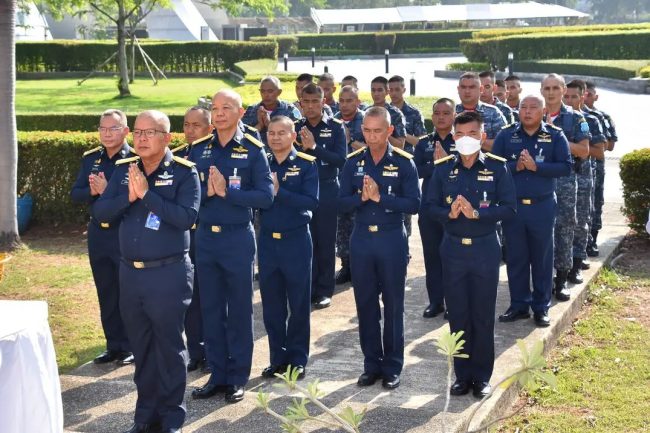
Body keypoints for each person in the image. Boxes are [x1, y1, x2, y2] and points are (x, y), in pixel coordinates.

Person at [94, 110, 200, 433]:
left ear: (167, 138)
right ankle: (145, 416)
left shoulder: (184, 172)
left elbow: (187, 218)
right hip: (131, 275)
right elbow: (101, 212)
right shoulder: (125, 171)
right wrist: (127, 197)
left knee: (168, 348)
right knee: (141, 348)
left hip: (167, 275)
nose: (140, 138)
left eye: (149, 132)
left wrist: (147, 196)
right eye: (137, 132)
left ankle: (171, 419)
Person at [425, 111, 516, 399]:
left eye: (473, 134)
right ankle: (462, 376)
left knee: (482, 315)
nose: (467, 140)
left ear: (483, 135)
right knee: (458, 315)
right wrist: (448, 213)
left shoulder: (498, 168)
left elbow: (509, 208)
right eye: (461, 134)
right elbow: (428, 207)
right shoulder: (442, 170)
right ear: (454, 137)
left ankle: (482, 376)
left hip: (484, 249)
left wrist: (478, 213)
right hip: (452, 250)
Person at [191, 90, 274, 403]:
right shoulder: (198, 150)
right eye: (215, 108)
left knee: (238, 309)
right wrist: (208, 192)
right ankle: (218, 374)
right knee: (210, 308)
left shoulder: (253, 150)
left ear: (241, 113)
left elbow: (265, 197)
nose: (220, 113)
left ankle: (238, 376)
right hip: (206, 239)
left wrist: (228, 193)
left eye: (227, 108)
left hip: (237, 238)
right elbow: (188, 193)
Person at [338, 106, 420, 390]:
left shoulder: (404, 162)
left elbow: (414, 204)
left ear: (389, 131)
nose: (372, 137)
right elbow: (341, 203)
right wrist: (362, 198)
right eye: (367, 131)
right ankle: (371, 364)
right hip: (361, 239)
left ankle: (392, 366)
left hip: (391, 238)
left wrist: (381, 197)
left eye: (377, 131)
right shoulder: (353, 163)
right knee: (366, 304)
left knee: (394, 304)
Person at [492, 95, 571, 327]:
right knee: (516, 257)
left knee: (542, 258)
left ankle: (541, 307)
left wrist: (537, 167)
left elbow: (566, 167)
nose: (527, 111)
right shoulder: (507, 135)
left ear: (543, 110)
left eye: (533, 107)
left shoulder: (555, 135)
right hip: (513, 207)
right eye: (523, 107)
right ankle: (518, 305)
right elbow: (494, 166)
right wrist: (514, 166)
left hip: (542, 206)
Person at [70, 109, 134, 366]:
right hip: (98, 234)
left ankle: (130, 345)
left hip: (124, 233)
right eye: (103, 128)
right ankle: (113, 345)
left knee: (127, 293)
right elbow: (76, 194)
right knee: (106, 291)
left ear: (126, 131)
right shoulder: (91, 159)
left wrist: (106, 191)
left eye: (114, 128)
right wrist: (94, 192)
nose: (107, 134)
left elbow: (136, 197)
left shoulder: (136, 159)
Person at [258, 116, 319, 380]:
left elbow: (311, 202)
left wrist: (279, 192)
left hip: (296, 240)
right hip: (268, 241)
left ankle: (297, 359)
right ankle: (277, 359)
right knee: (271, 305)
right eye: (271, 133)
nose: (275, 137)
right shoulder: (261, 164)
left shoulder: (306, 165)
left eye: (282, 133)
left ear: (293, 136)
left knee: (298, 303)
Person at [295, 83, 347, 309]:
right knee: (303, 241)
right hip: (299, 191)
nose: (310, 106)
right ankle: (307, 287)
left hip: (326, 189)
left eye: (315, 101)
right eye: (305, 102)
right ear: (300, 103)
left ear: (323, 101)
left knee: (325, 241)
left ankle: (324, 290)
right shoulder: (295, 127)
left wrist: (314, 147)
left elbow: (341, 160)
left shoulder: (335, 127)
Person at [540, 74, 590, 300]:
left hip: (566, 183)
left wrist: (556, 137)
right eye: (547, 88)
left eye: (555, 88)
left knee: (565, 229)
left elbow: (583, 150)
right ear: (541, 91)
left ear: (562, 90)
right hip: (537, 182)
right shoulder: (531, 114)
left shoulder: (575, 118)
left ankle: (561, 279)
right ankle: (541, 280)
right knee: (540, 232)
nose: (550, 93)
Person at [172, 106, 214, 372]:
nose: (190, 130)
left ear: (209, 128)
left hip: (208, 235)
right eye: (186, 124)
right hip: (184, 236)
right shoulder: (176, 159)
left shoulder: (216, 154)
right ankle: (196, 351)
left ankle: (213, 351)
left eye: (196, 125)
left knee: (210, 295)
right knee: (190, 296)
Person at [414, 98, 456, 318]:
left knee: (451, 257)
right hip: (429, 206)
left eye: (446, 113)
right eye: (437, 113)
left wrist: (446, 162)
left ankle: (452, 303)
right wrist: (435, 165)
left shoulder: (461, 141)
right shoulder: (424, 142)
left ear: (454, 116)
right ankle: (436, 301)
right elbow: (416, 171)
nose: (441, 117)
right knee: (432, 256)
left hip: (453, 207)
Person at [563, 80, 607, 293]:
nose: (569, 100)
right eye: (567, 96)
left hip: (582, 176)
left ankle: (577, 261)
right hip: (560, 179)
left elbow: (599, 150)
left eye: (573, 97)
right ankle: (560, 266)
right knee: (560, 225)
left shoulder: (590, 119)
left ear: (583, 97)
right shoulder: (555, 118)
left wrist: (574, 147)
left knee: (580, 221)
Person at [334, 85, 366, 285]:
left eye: (349, 100)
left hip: (361, 180)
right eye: (342, 100)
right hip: (338, 178)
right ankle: (346, 266)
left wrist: (351, 140)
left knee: (359, 224)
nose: (344, 105)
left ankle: (361, 266)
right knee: (342, 226)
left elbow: (374, 146)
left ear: (358, 101)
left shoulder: (366, 119)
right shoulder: (334, 120)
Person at [584, 81, 618, 257]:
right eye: (585, 94)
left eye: (590, 94)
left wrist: (585, 146)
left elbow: (609, 145)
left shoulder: (601, 117)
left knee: (595, 203)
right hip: (578, 169)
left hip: (596, 166)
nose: (586, 97)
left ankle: (592, 239)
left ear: (595, 97)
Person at [241, 76, 301, 144]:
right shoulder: (251, 110)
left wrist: (269, 125)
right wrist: (259, 126)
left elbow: (297, 139)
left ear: (279, 92)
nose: (266, 95)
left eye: (270, 91)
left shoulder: (290, 111)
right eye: (263, 91)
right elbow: (242, 138)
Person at [455, 72, 507, 151]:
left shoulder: (493, 113)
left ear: (481, 89)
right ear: (458, 89)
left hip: (486, 162)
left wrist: (474, 141)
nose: (467, 91)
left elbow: (504, 144)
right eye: (463, 87)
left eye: (472, 87)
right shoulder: (449, 112)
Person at [388, 75, 427, 154]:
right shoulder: (384, 112)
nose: (393, 93)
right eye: (391, 90)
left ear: (404, 90)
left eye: (397, 90)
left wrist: (401, 133)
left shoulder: (414, 113)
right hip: (387, 156)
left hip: (407, 157)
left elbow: (422, 143)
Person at [370, 76, 407, 149]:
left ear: (387, 92)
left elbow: (400, 145)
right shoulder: (366, 112)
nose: (376, 94)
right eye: (373, 90)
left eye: (380, 90)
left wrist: (383, 133)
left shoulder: (396, 114)